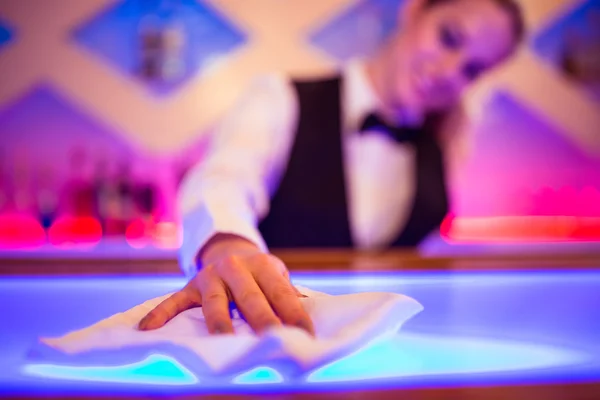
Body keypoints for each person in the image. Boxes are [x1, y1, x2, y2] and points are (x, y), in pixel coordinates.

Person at [138, 0, 525, 336]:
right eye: (450, 37)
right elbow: (223, 178)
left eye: (472, 70)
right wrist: (226, 245)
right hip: (270, 349)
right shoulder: (279, 97)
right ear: (415, 9)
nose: (449, 72)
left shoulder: (447, 142)